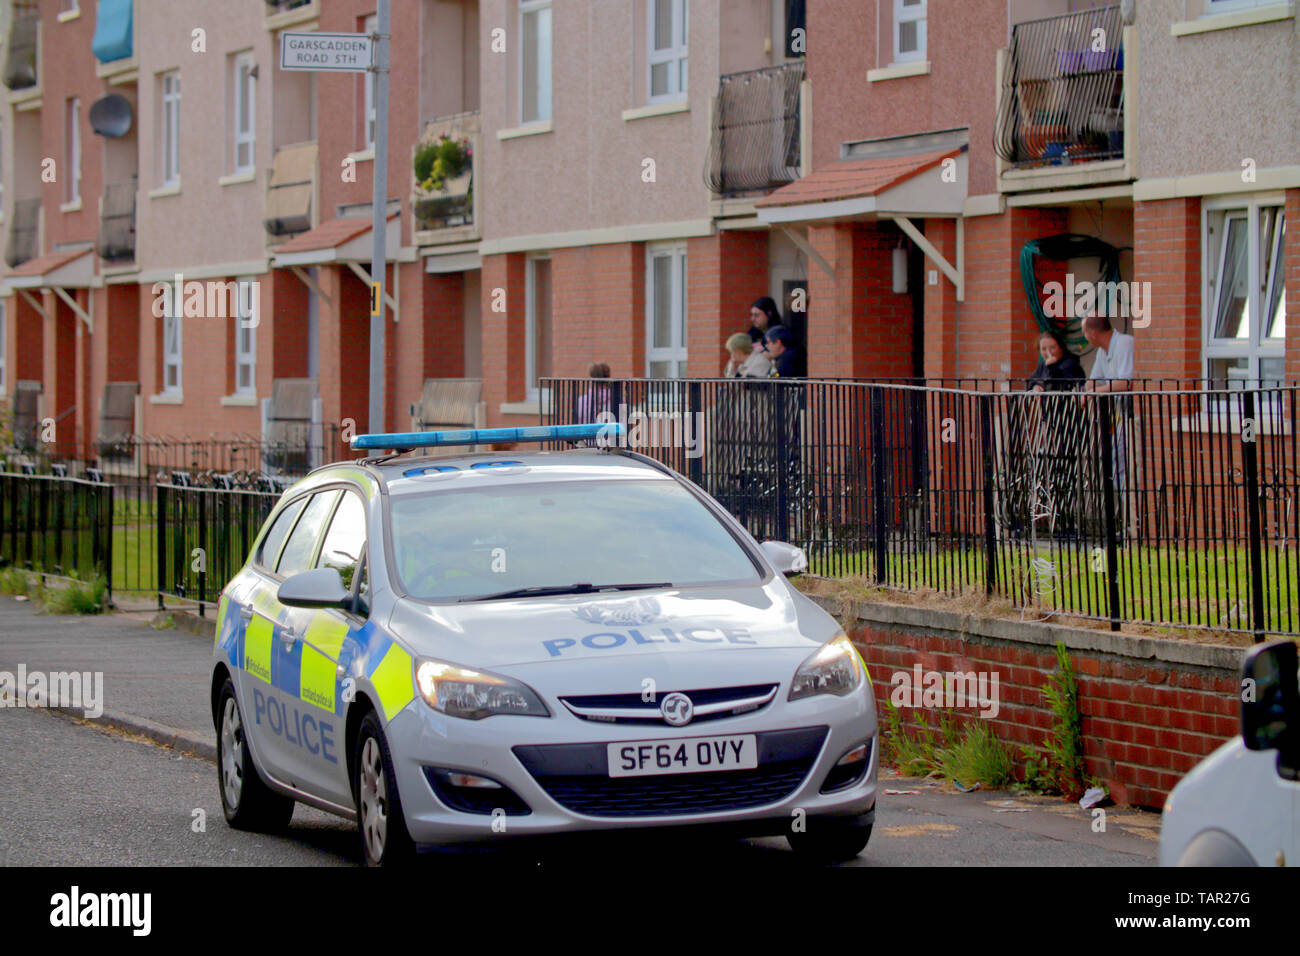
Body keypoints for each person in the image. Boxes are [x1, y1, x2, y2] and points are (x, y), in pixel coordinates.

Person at [1082, 314, 1134, 393]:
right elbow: (1096, 381)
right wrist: (1081, 391)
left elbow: (1126, 383)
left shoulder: (1124, 343)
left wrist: (1094, 392)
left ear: (1094, 334)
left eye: (1085, 333)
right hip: (1117, 404)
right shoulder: (1101, 351)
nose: (1085, 337)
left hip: (1132, 404)